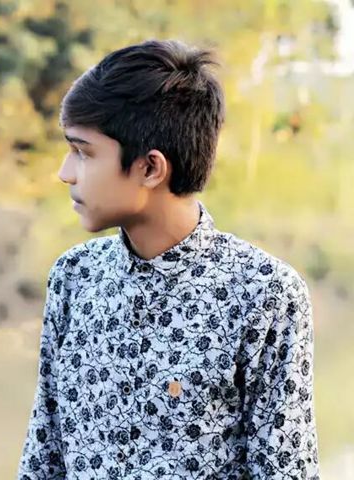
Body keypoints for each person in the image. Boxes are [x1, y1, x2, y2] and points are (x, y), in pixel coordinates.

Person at [16, 39, 320, 479]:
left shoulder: (265, 294)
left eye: (83, 152)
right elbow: (44, 457)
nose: (65, 173)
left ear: (150, 168)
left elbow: (285, 471)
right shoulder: (74, 277)